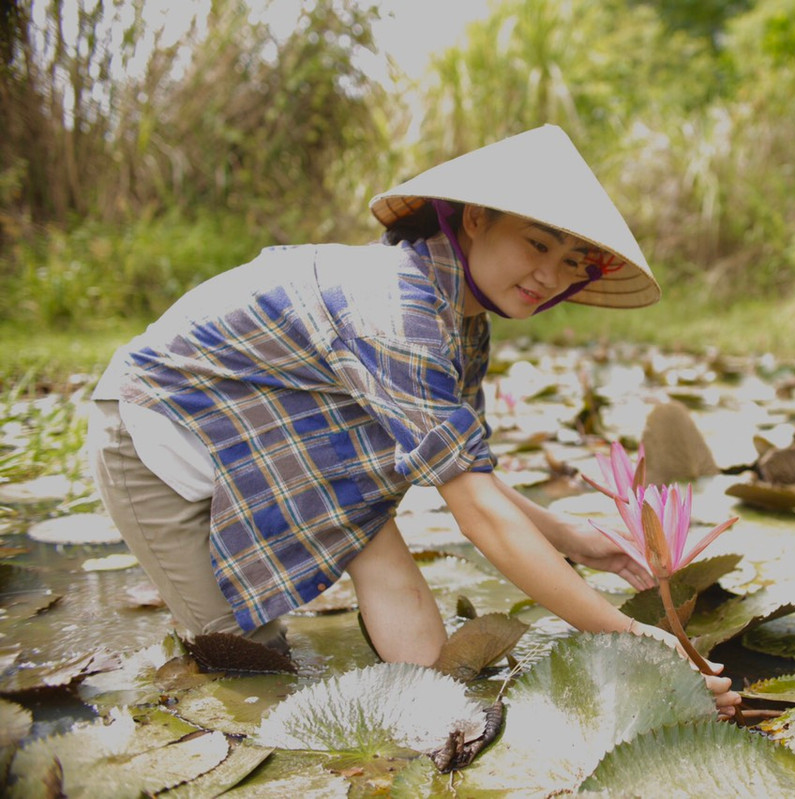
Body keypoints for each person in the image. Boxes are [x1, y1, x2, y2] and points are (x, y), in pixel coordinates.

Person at [87, 125, 740, 717]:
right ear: (478, 218)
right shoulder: (400, 307)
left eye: (572, 261)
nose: (549, 274)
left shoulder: (464, 319)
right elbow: (477, 511)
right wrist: (630, 636)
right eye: (538, 243)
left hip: (296, 434)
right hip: (158, 430)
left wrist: (577, 538)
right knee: (249, 670)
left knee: (432, 662)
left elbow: (466, 472)